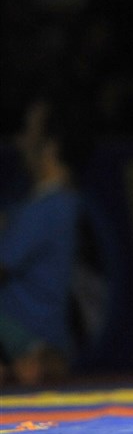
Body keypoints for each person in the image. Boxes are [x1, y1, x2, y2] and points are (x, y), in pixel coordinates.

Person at [0, 97, 91, 386]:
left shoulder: (51, 207)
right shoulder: (47, 204)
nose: (20, 141)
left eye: (28, 131)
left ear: (50, 146)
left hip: (31, 339)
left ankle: (34, 359)